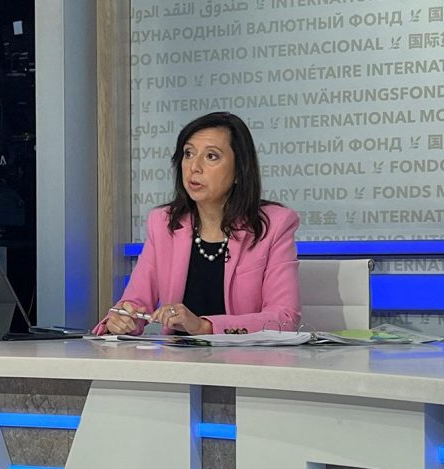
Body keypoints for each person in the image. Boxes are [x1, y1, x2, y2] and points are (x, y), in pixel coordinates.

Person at [93, 111, 300, 336]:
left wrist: (204, 327)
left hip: (245, 357)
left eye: (211, 156)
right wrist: (121, 320)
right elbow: (134, 302)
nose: (194, 167)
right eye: (188, 154)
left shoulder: (274, 225)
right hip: (178, 356)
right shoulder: (164, 223)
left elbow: (284, 318)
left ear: (239, 171)